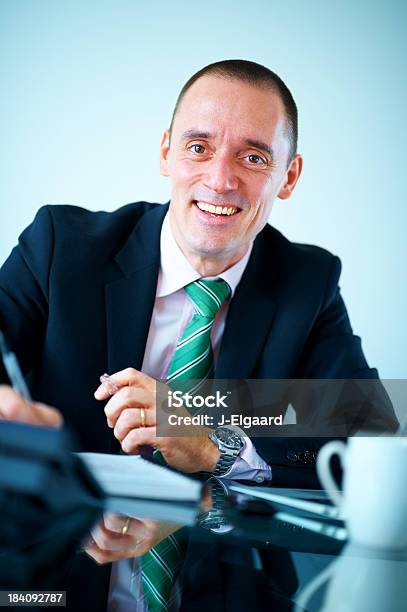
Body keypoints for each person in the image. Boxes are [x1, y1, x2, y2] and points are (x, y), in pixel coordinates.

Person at [0, 59, 398, 611]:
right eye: (199, 147)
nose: (220, 179)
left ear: (289, 175)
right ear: (166, 151)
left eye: (253, 157)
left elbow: (368, 435)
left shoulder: (307, 284)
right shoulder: (59, 249)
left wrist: (213, 449)